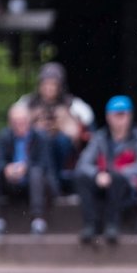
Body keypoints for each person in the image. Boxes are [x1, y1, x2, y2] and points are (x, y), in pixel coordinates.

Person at [74, 95, 137, 244]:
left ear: (130, 116)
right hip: (103, 183)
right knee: (82, 178)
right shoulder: (100, 137)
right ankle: (90, 226)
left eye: (123, 115)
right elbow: (82, 164)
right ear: (108, 117)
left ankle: (112, 225)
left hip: (129, 184)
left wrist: (119, 173)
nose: (120, 119)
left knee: (117, 178)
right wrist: (97, 175)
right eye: (116, 115)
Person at [23, 62, 94, 193]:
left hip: (62, 153)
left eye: (53, 84)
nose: (49, 88)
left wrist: (63, 122)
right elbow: (17, 126)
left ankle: (54, 182)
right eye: (45, 84)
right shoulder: (28, 103)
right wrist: (35, 121)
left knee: (60, 141)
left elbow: (84, 128)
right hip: (35, 150)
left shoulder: (73, 104)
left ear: (59, 86)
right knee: (42, 139)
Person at [0, 102, 53, 236]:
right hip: (10, 182)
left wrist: (26, 168)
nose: (19, 125)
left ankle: (37, 219)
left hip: (34, 183)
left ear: (29, 121)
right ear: (10, 123)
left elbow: (45, 163)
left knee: (36, 172)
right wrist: (6, 169)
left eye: (22, 121)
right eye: (15, 122)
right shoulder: (4, 136)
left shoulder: (40, 137)